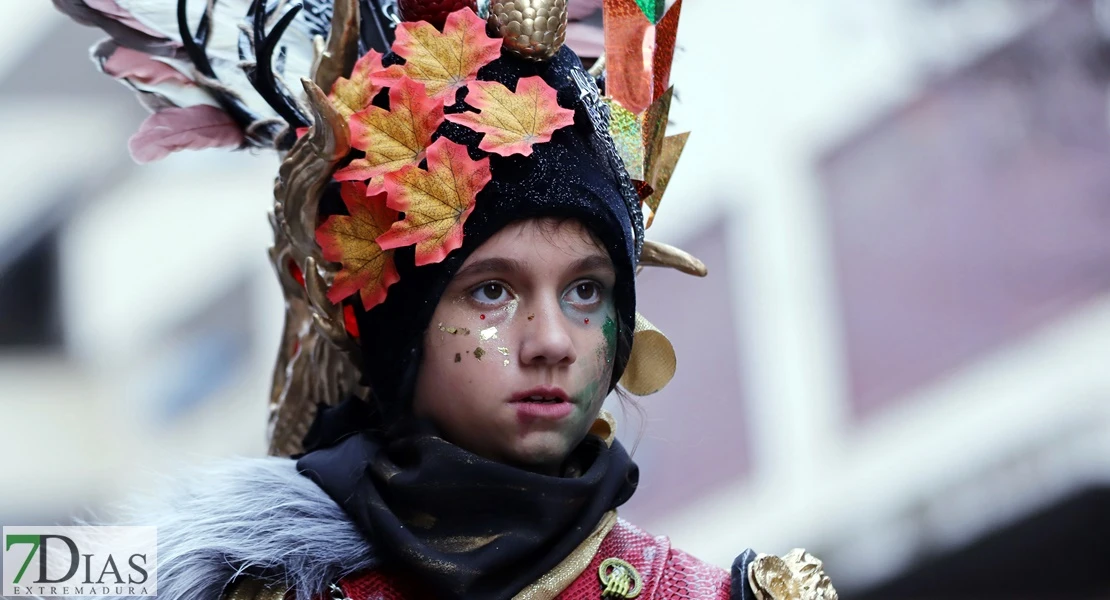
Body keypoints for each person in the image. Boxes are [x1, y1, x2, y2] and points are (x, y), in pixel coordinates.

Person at [52, 0, 838, 598]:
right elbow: (36, 566)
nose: (552, 341)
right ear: (400, 332)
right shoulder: (191, 574)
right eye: (493, 291)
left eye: (587, 290)